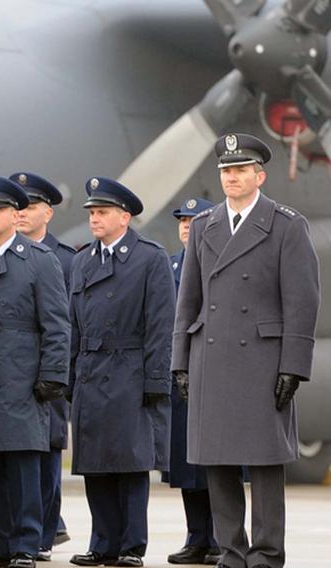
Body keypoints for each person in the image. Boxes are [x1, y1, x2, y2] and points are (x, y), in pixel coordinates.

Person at [172, 134, 320, 568]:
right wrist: (180, 362)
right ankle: (232, 552)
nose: (231, 177)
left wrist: (293, 366)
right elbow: (188, 301)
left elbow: (303, 301)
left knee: (266, 463)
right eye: (225, 171)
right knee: (217, 463)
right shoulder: (204, 226)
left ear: (260, 175)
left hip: (262, 360)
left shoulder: (286, 224)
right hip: (212, 358)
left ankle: (267, 553)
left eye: (240, 170)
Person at [0, 176, 70, 568]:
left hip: (22, 380)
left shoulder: (39, 260)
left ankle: (24, 542)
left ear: (15, 215)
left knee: (22, 469)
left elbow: (56, 324)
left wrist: (52, 375)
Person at [68, 177, 174, 568]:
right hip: (92, 372)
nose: (94, 219)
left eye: (102, 212)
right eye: (92, 212)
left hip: (130, 370)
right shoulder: (82, 261)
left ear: (124, 217)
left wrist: (156, 382)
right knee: (95, 464)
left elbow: (162, 326)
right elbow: (73, 325)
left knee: (129, 465)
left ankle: (132, 545)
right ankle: (102, 542)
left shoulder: (150, 258)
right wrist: (70, 376)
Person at [10, 171, 75, 559]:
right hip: (10, 375)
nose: (22, 212)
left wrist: (59, 375)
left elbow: (67, 323)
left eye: (30, 205)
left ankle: (45, 534)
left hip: (48, 375)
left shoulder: (65, 259)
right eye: (18, 205)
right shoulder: (2, 252)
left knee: (48, 455)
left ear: (47, 212)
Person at [163, 197, 219, 566]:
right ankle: (195, 536)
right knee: (186, 464)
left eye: (194, 220)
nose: (186, 226)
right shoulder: (169, 266)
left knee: (215, 463)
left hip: (213, 373)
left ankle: (219, 537)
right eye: (182, 220)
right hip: (180, 374)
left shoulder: (218, 263)